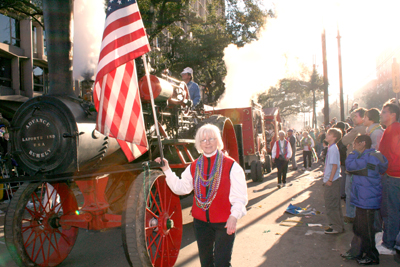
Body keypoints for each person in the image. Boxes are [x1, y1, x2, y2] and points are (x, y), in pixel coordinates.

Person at [155, 124, 248, 267]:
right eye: (203, 140)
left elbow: (240, 197)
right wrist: (167, 170)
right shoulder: (194, 166)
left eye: (211, 138)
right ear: (199, 144)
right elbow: (181, 188)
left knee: (222, 263)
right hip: (201, 224)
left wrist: (234, 216)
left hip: (224, 222)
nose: (208, 142)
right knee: (206, 263)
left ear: (217, 141)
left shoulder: (231, 166)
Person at [340, 135, 388, 265]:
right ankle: (358, 251)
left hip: (367, 198)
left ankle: (372, 255)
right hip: (364, 197)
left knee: (366, 230)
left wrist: (353, 153)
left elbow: (349, 166)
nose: (353, 145)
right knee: (359, 228)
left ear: (362, 143)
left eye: (355, 143)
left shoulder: (368, 157)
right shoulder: (373, 155)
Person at [377, 100, 400, 255]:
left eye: (384, 112)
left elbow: (388, 155)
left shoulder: (393, 129)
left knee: (391, 211)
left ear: (393, 115)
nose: (381, 114)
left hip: (392, 175)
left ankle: (388, 244)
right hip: (392, 174)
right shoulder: (391, 129)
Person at [341, 107, 367, 223]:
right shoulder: (367, 129)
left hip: (354, 166)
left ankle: (351, 215)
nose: (353, 119)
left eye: (355, 116)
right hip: (361, 166)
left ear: (363, 117)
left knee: (350, 191)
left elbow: (344, 140)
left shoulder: (358, 129)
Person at [323, 128, 344, 234]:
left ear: (334, 137)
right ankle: (337, 224)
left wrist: (330, 180)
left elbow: (334, 166)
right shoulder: (331, 148)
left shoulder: (333, 149)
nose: (326, 135)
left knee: (332, 204)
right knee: (333, 203)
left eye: (329, 134)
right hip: (331, 179)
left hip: (332, 180)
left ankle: (336, 227)